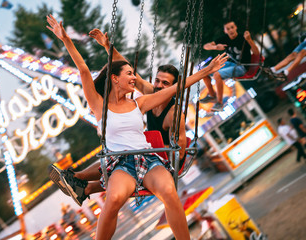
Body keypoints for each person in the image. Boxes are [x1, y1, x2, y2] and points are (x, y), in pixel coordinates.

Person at [46, 14, 227, 240]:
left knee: (170, 191)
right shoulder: (99, 105)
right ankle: (80, 182)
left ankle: (80, 183)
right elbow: (83, 69)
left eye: (134, 74)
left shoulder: (139, 103)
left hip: (148, 158)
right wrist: (66, 40)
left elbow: (175, 89)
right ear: (114, 79)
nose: (135, 78)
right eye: (129, 74)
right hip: (120, 163)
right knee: (113, 199)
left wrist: (205, 72)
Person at [48, 30, 189, 207]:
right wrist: (108, 46)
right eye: (158, 81)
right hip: (144, 149)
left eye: (165, 84)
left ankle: (78, 179)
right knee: (120, 155)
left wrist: (153, 149)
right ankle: (81, 185)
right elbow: (127, 71)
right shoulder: (150, 93)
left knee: (124, 156)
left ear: (173, 88)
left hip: (164, 156)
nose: (159, 86)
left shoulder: (174, 114)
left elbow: (179, 152)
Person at [200, 20, 259, 111]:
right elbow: (206, 46)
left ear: (236, 27)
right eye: (228, 29)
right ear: (225, 31)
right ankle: (212, 95)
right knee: (204, 71)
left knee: (217, 74)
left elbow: (256, 53)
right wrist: (215, 47)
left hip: (242, 67)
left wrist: (249, 40)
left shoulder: (242, 39)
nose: (231, 30)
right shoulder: (224, 39)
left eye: (232, 27)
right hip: (231, 63)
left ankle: (219, 103)